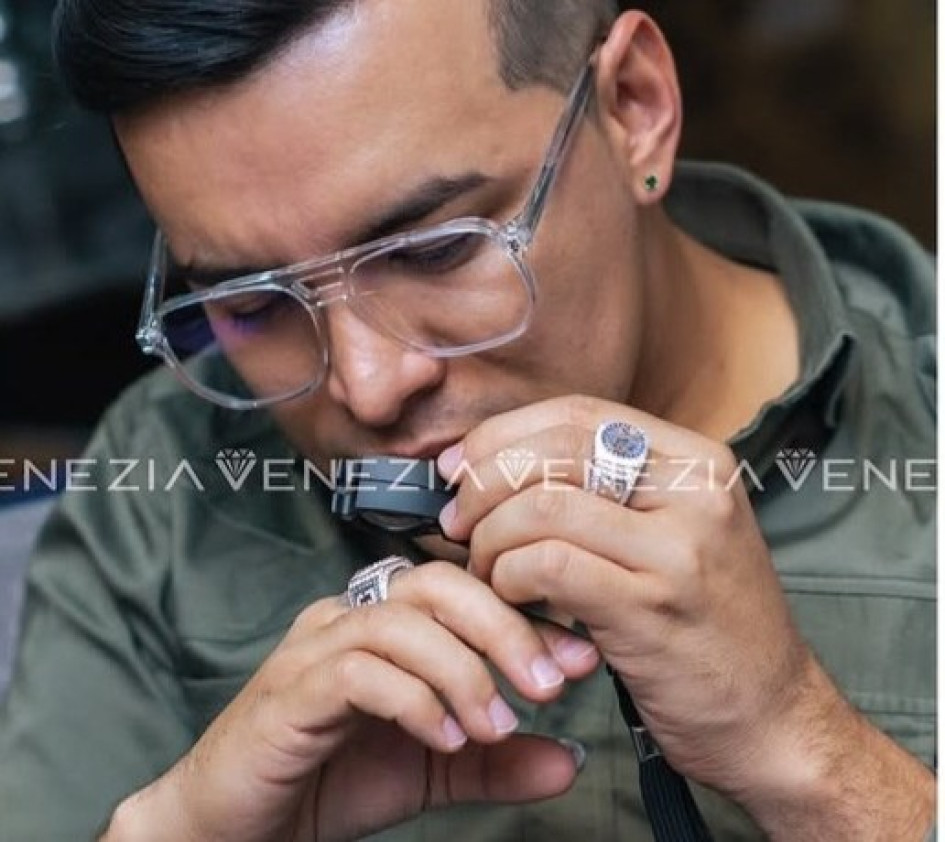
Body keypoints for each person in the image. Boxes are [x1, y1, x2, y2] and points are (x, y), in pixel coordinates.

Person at [0, 1, 936, 839]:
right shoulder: (159, 497)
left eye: (435, 250)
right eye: (253, 305)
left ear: (633, 107)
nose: (369, 387)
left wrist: (813, 761)